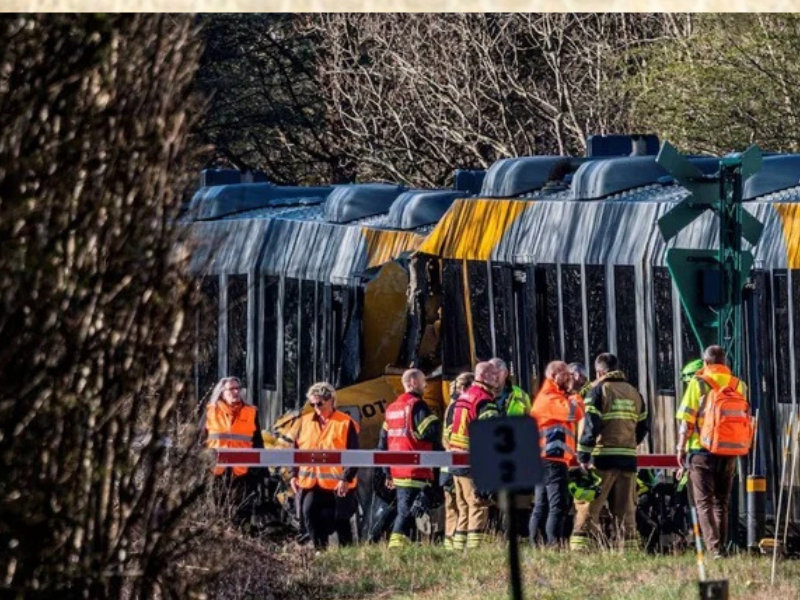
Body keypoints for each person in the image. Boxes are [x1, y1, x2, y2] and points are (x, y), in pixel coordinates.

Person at [571, 353, 649, 552]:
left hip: (602, 458)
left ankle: (581, 548)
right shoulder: (634, 393)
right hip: (628, 459)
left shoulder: (598, 391)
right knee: (626, 509)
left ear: (599, 371)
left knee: (589, 505)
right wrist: (629, 444)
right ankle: (628, 549)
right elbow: (643, 427)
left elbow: (591, 426)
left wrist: (583, 456)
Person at [676, 346, 749, 558]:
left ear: (705, 363)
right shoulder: (739, 385)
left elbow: (687, 419)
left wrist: (680, 448)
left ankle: (714, 548)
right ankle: (721, 546)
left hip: (701, 449)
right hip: (730, 450)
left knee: (704, 501)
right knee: (721, 502)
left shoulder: (698, 383)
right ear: (725, 362)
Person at [286, 382, 360, 550]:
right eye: (312, 404)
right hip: (311, 482)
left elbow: (354, 454)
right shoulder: (303, 422)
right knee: (308, 513)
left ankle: (348, 555)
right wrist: (293, 474)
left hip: (339, 483)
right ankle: (320, 550)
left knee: (340, 520)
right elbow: (295, 451)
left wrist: (346, 478)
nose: (316, 407)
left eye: (319, 403)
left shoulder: (345, 423)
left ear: (331, 400)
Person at [377, 369, 443, 548]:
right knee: (406, 513)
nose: (426, 385)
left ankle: (409, 545)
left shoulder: (392, 409)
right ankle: (396, 546)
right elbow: (428, 431)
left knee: (409, 510)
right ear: (413, 383)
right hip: (416, 469)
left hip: (398, 471)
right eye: (423, 382)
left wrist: (387, 473)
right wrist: (437, 422)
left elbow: (382, 444)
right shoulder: (417, 405)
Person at [530, 361, 584, 547]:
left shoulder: (552, 397)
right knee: (558, 506)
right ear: (554, 375)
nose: (569, 376)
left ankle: (538, 544)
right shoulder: (549, 398)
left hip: (546, 459)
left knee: (542, 506)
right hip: (552, 459)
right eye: (565, 373)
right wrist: (575, 396)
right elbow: (574, 414)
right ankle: (553, 545)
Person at [448, 361, 500, 549]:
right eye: (494, 375)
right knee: (479, 504)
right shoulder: (484, 400)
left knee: (463, 507)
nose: (498, 379)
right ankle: (475, 550)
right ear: (485, 376)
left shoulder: (465, 396)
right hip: (473, 461)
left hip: (456, 459)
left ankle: (458, 548)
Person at [201, 377, 265, 528]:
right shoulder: (210, 411)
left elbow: (258, 443)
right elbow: (200, 441)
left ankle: (239, 544)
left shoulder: (251, 412)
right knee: (216, 513)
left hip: (242, 472)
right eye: (232, 389)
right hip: (216, 470)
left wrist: (257, 470)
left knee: (240, 514)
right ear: (222, 392)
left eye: (238, 388)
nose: (236, 392)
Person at [441, 372, 474, 550]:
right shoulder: (460, 406)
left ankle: (451, 544)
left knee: (455, 506)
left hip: (449, 465)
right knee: (462, 505)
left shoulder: (452, 406)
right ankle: (458, 543)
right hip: (457, 463)